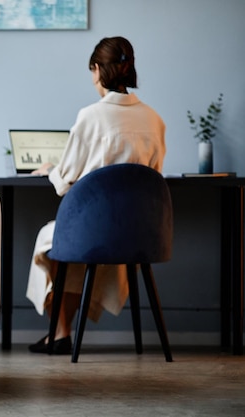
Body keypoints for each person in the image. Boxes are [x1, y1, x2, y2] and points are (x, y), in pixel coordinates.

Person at [26, 37, 166, 354]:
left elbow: (65, 182)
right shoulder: (154, 120)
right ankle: (60, 334)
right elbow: (152, 179)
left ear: (99, 70)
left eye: (92, 71)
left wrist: (50, 169)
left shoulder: (91, 116)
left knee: (53, 239)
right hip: (138, 234)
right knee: (73, 244)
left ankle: (59, 333)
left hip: (96, 232)